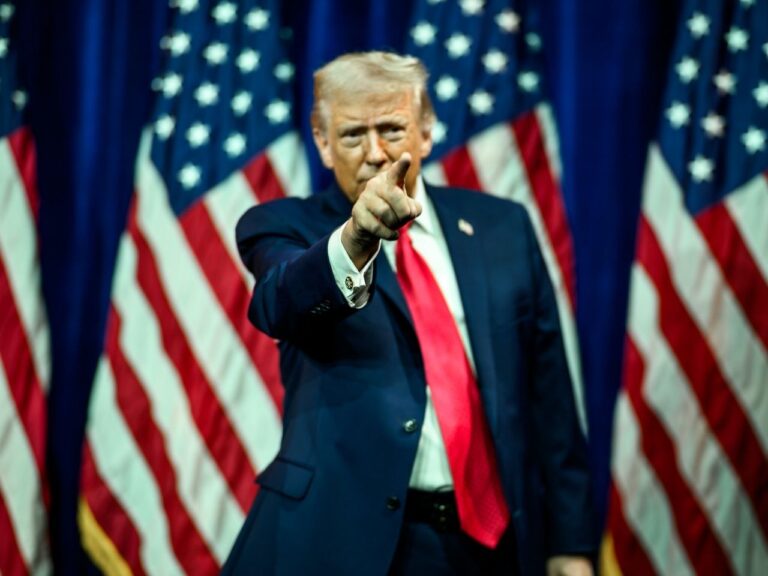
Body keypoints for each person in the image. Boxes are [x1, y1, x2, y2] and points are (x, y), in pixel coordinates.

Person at [222, 51, 595, 576]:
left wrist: (571, 544)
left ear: (426, 131)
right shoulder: (285, 227)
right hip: (350, 546)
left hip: (494, 546)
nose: (375, 153)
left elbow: (549, 396)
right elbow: (280, 302)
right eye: (353, 135)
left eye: (392, 129)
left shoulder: (503, 227)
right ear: (323, 143)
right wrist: (355, 240)